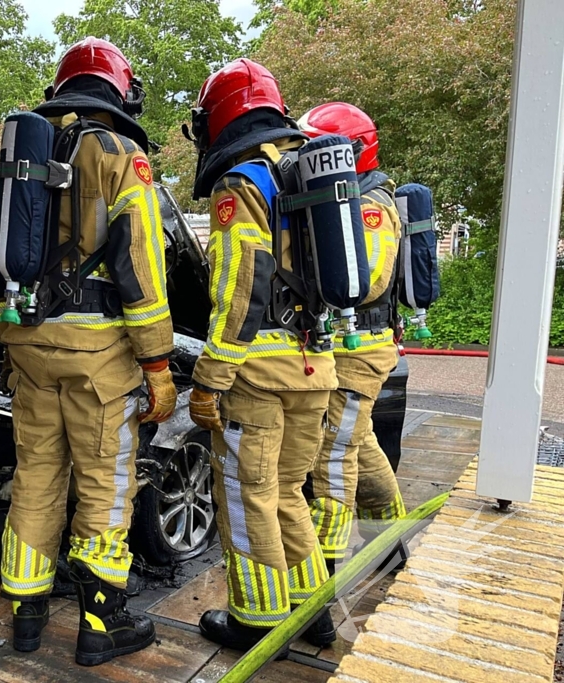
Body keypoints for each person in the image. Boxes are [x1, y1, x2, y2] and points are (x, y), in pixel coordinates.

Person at [0, 37, 177, 666]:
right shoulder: (121, 155)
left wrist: (9, 337)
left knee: (36, 477)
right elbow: (141, 266)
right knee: (104, 484)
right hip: (99, 359)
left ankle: (26, 615)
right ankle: (101, 622)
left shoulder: (16, 155)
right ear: (119, 93)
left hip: (30, 347)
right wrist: (157, 362)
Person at [186, 58, 338, 651]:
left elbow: (240, 286)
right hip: (315, 366)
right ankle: (314, 613)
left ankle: (256, 620)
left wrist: (210, 378)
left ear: (219, 119)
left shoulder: (244, 183)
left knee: (249, 498)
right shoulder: (308, 172)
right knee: (288, 492)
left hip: (259, 377)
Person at [297, 102, 406, 574]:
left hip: (359, 351)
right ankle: (391, 540)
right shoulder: (348, 199)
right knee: (360, 444)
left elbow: (371, 281)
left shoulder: (370, 207)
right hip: (348, 347)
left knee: (334, 453)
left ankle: (327, 561)